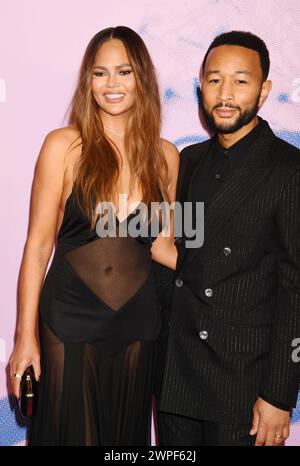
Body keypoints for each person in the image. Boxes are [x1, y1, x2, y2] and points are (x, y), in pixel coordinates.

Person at [9, 26, 179, 446]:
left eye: (123, 72)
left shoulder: (166, 157)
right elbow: (38, 248)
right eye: (99, 73)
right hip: (69, 322)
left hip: (139, 326)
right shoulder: (63, 146)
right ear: (88, 81)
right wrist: (23, 337)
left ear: (142, 78)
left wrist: (231, 276)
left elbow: (162, 245)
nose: (112, 84)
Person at [155, 31, 300, 446]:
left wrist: (279, 395)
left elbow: (296, 290)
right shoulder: (189, 160)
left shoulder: (289, 169)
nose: (225, 93)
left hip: (241, 384)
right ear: (201, 85)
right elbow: (183, 253)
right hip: (176, 375)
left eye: (241, 81)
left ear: (264, 89)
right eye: (215, 80)